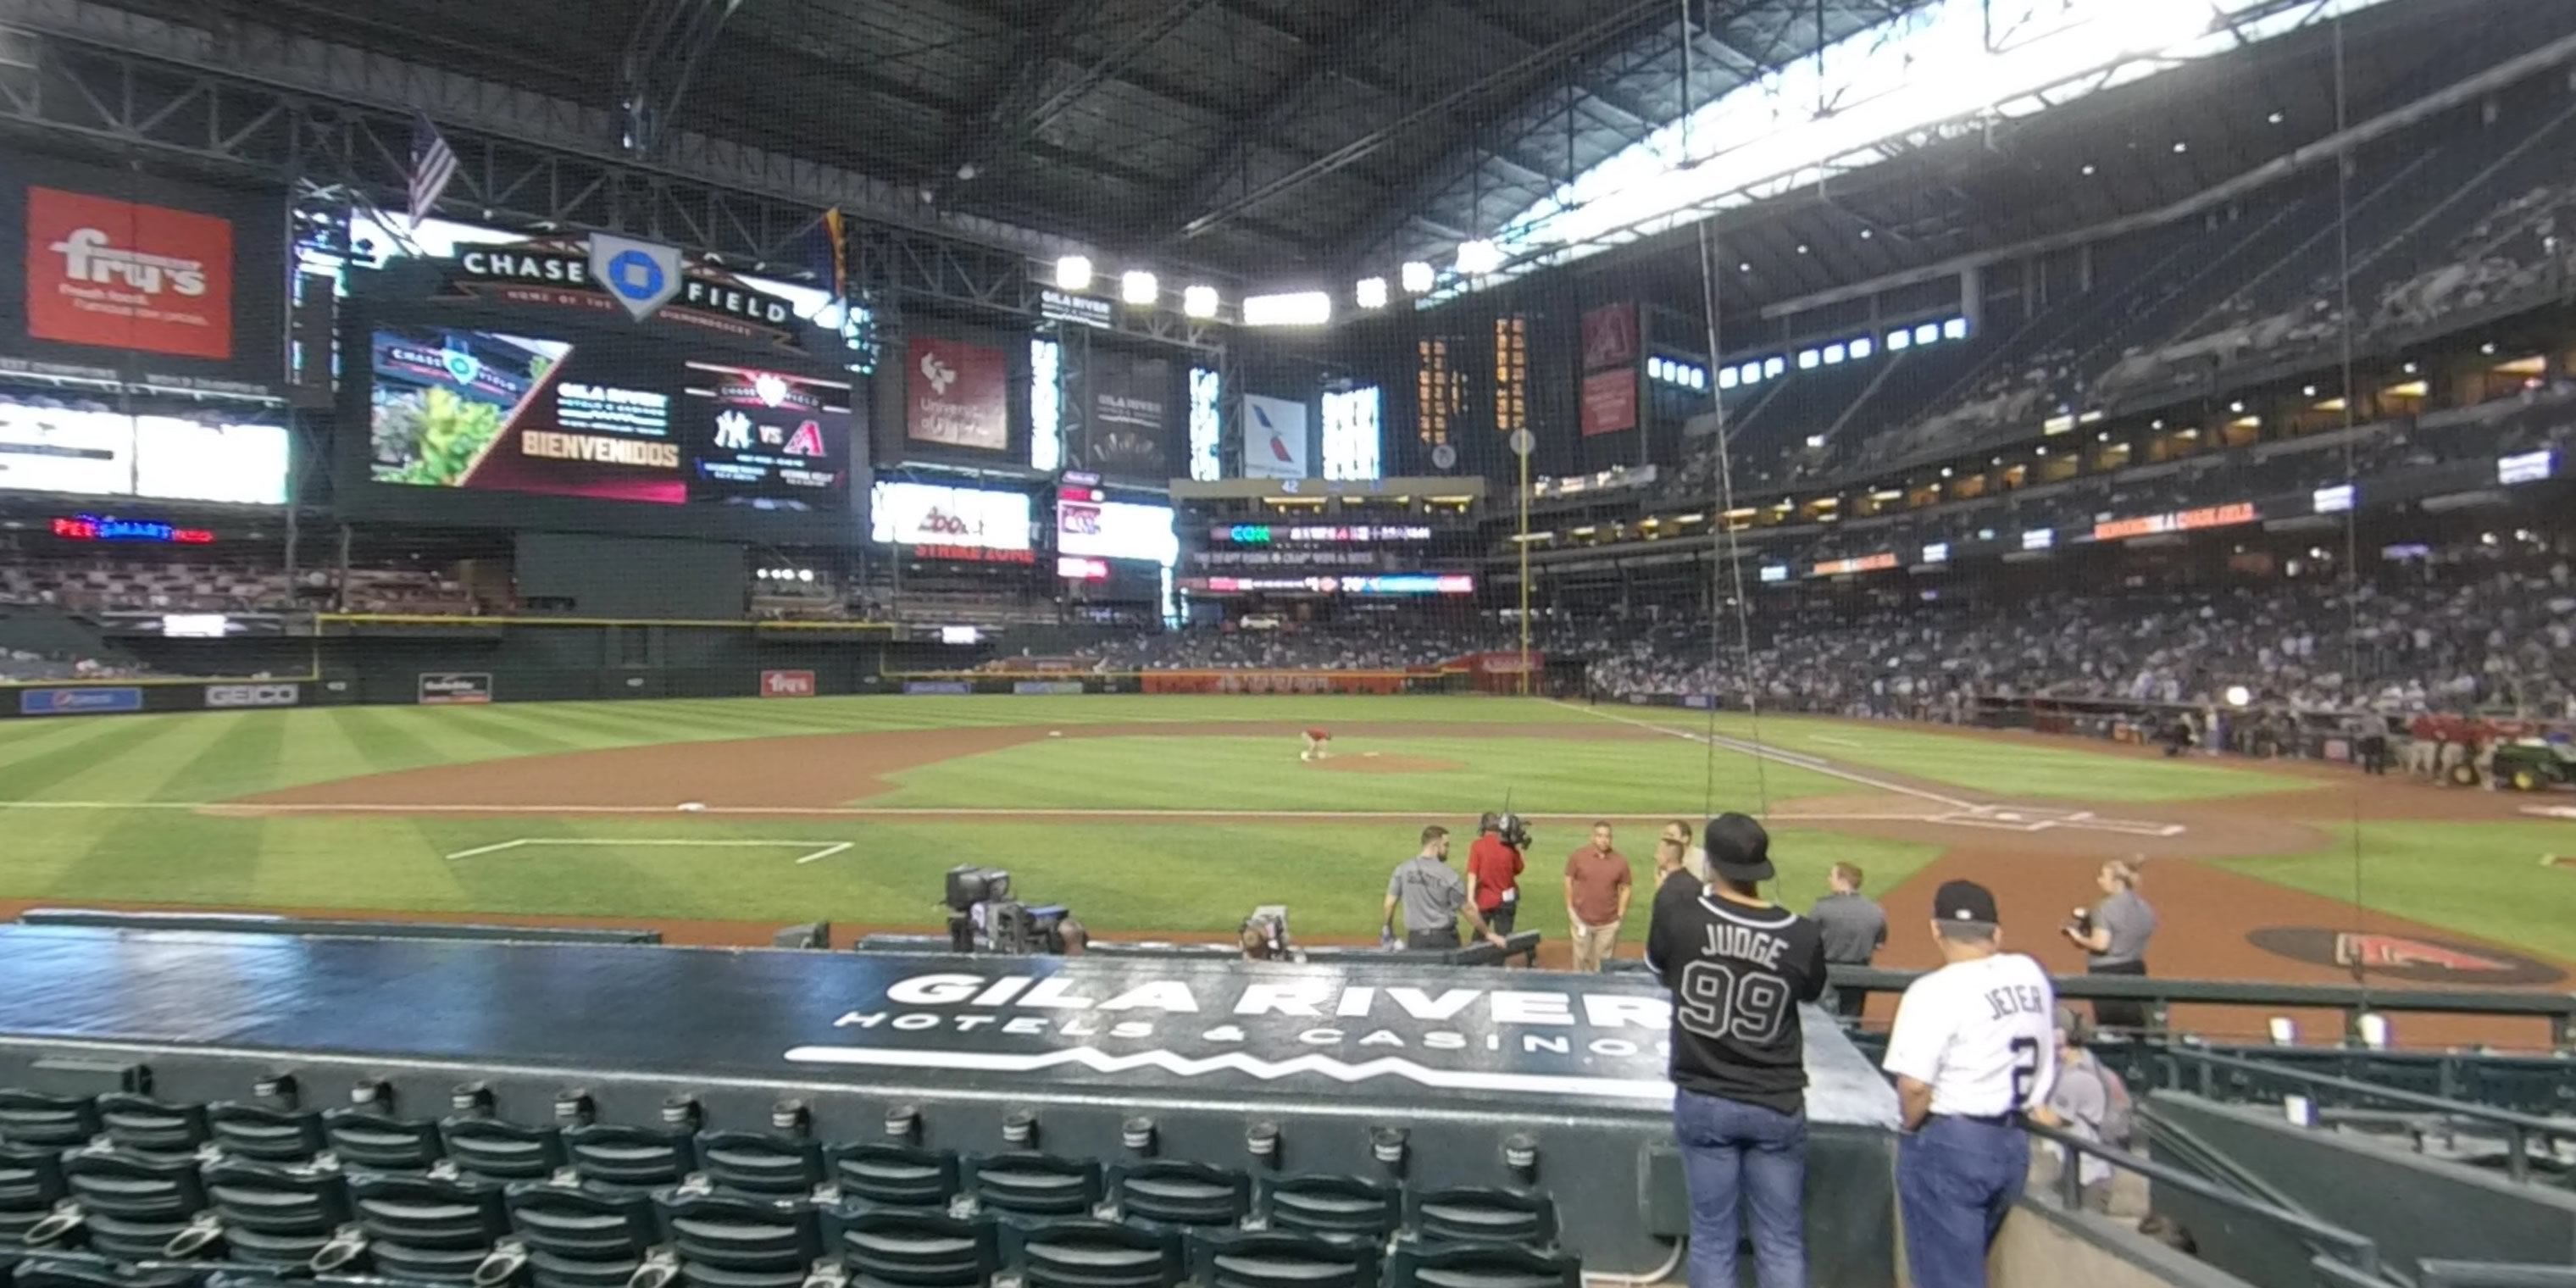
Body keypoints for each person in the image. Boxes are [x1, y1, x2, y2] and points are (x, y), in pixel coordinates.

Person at [1647, 813, 1828, 1288]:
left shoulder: (1681, 918)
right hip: (1777, 1099)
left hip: (1705, 1095)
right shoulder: (1800, 932)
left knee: (1711, 1237)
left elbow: (1661, 969)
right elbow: (1810, 992)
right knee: (1782, 1240)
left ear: (1710, 862)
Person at [1883, 880, 2058, 1288]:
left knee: (1947, 1279)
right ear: (1996, 933)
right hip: (2013, 1146)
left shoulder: (1932, 991)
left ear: (1935, 930)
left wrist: (1910, 1127)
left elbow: (1913, 1088)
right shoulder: (2029, 971)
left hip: (1951, 1145)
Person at [2039, 1006, 2126, 1213]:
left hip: (2089, 1178)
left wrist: (2029, 1099)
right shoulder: (2083, 1063)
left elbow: (2049, 1120)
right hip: (2080, 1171)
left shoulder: (2077, 1076)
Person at [2063, 858, 2156, 1034]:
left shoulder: (2104, 908)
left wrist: (2076, 936)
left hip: (2106, 974)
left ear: (2117, 881)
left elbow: (2100, 944)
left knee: (2110, 1029)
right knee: (2135, 1027)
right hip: (2136, 968)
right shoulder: (2144, 907)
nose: (2099, 880)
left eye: (2104, 876)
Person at [1382, 825, 1507, 952]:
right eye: (1445, 845)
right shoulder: (1449, 875)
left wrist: (1388, 928)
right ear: (1435, 846)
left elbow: (1389, 904)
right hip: (1444, 939)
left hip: (1416, 940)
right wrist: (1488, 933)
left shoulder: (1402, 870)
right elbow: (1468, 909)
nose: (1448, 849)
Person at [1810, 862, 1888, 1024]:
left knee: (1823, 1021)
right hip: (1860, 972)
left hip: (1827, 971)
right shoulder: (1875, 910)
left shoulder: (1822, 908)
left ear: (1842, 879)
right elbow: (1880, 945)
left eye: (1832, 876)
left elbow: (1807, 939)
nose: (1829, 879)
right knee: (1852, 1020)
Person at [1563, 820, 1633, 972]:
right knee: (1581, 960)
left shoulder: (1620, 861)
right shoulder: (1579, 856)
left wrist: (1620, 915)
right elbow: (1568, 879)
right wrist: (1569, 907)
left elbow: (1626, 888)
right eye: (1600, 836)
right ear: (1592, 837)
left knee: (1603, 964)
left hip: (1608, 923)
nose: (1604, 840)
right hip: (1581, 919)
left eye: (1607, 836)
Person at [1465, 813, 1525, 936]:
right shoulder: (1509, 847)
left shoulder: (1477, 846)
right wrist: (1520, 848)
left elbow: (1472, 874)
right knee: (1504, 938)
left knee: (1478, 939)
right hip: (1506, 901)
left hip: (1484, 900)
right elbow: (1519, 869)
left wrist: (1470, 898)